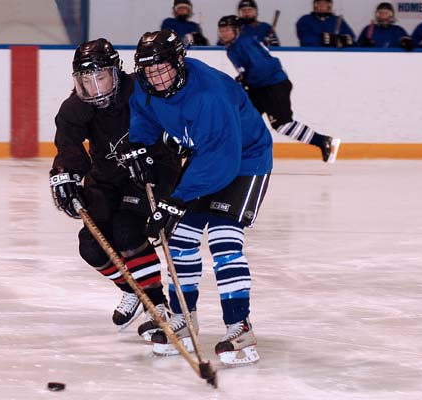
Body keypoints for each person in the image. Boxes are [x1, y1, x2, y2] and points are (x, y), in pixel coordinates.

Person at [128, 30, 273, 366]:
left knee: (224, 240)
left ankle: (239, 326)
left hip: (246, 160)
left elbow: (221, 159)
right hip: (205, 158)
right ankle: (183, 316)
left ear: (179, 62)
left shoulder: (209, 94)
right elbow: (144, 116)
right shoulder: (145, 86)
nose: (157, 78)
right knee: (180, 239)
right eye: (149, 71)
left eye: (162, 68)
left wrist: (175, 200)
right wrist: (140, 145)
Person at [49, 38, 181, 340]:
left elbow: (173, 127)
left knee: (126, 230)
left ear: (116, 71)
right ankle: (131, 288)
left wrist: (153, 153)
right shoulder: (75, 107)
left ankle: (158, 305)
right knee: (91, 245)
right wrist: (64, 175)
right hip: (106, 178)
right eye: (86, 79)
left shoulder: (140, 90)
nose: (94, 87)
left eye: (101, 76)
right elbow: (68, 147)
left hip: (152, 172)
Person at [218, 15, 341, 163]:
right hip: (261, 87)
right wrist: (244, 79)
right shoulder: (234, 46)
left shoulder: (243, 43)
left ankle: (322, 141)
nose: (224, 33)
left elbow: (262, 69)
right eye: (221, 30)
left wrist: (246, 80)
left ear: (237, 30)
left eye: (227, 30)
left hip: (272, 86)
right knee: (243, 119)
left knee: (283, 125)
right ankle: (242, 155)